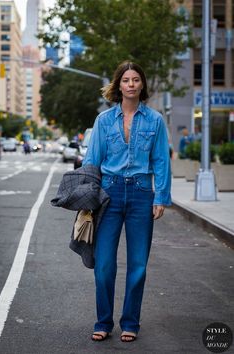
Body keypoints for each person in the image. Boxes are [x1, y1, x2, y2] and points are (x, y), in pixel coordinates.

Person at [83, 61, 171, 342]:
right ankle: (103, 321)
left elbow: (161, 161)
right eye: (126, 80)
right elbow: (92, 161)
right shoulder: (104, 121)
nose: (131, 84)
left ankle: (131, 322)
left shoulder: (155, 120)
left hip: (141, 195)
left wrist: (161, 197)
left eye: (135, 79)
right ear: (118, 85)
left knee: (138, 265)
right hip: (108, 194)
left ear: (142, 84)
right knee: (104, 264)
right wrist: (87, 197)